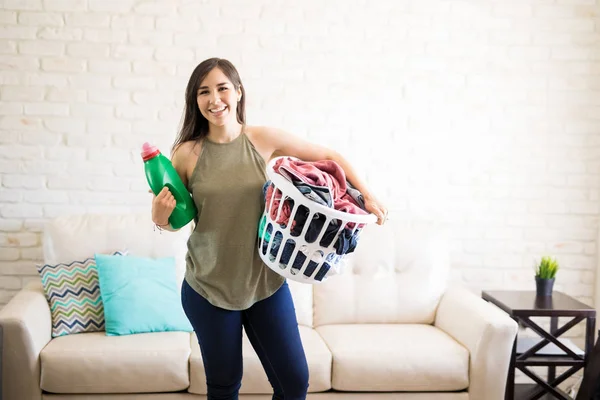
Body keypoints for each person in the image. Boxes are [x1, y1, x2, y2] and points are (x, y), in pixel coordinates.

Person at [151, 57, 388, 400]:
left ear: (238, 93)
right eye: (204, 92)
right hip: (209, 288)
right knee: (224, 385)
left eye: (222, 88)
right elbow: (177, 219)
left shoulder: (262, 139)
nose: (214, 99)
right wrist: (160, 218)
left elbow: (329, 157)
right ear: (195, 100)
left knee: (293, 383)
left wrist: (366, 195)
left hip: (266, 282)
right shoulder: (186, 154)